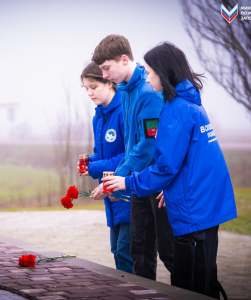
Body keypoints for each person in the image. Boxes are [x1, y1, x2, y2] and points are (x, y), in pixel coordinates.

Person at [102, 42, 237, 299]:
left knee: (189, 286)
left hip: (193, 211)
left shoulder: (176, 111)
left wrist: (127, 182)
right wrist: (169, 187)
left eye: (151, 72)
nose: (148, 76)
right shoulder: (192, 105)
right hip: (207, 206)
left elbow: (165, 167)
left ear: (164, 72)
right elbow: (193, 162)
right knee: (206, 278)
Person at [90, 34, 174, 281]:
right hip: (137, 182)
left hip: (154, 182)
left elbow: (147, 146)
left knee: (169, 255)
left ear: (124, 60)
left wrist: (117, 177)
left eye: (106, 68)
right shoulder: (126, 92)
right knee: (138, 251)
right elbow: (131, 145)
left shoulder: (148, 93)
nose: (104, 76)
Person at [78, 62, 133, 273]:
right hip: (111, 195)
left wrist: (96, 167)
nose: (89, 93)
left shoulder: (124, 111)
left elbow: (130, 156)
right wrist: (90, 162)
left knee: (126, 254)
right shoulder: (98, 116)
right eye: (86, 88)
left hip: (129, 192)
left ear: (108, 82)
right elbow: (102, 154)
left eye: (93, 86)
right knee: (116, 250)